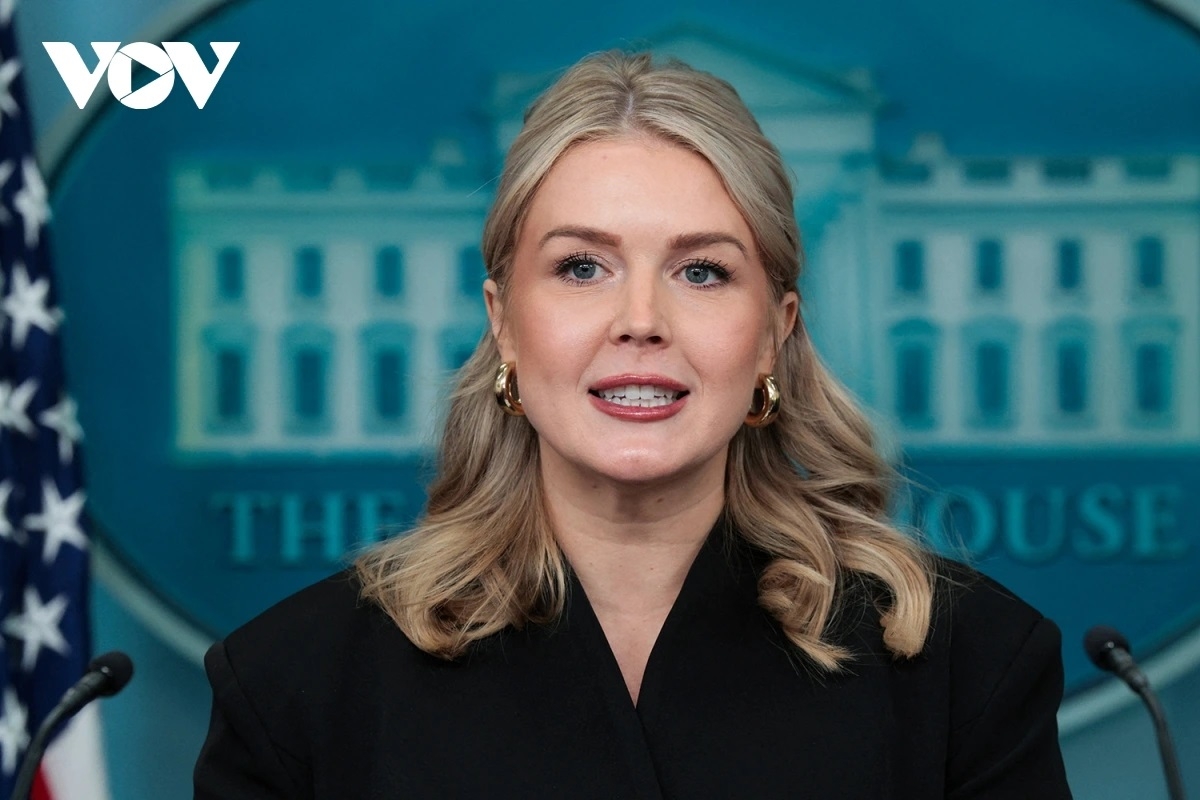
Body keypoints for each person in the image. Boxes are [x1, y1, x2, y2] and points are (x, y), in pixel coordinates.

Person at [193, 51, 1072, 799]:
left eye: (702, 272)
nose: (641, 320)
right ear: (503, 322)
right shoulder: (293, 684)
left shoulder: (966, 665)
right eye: (582, 267)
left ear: (774, 334)